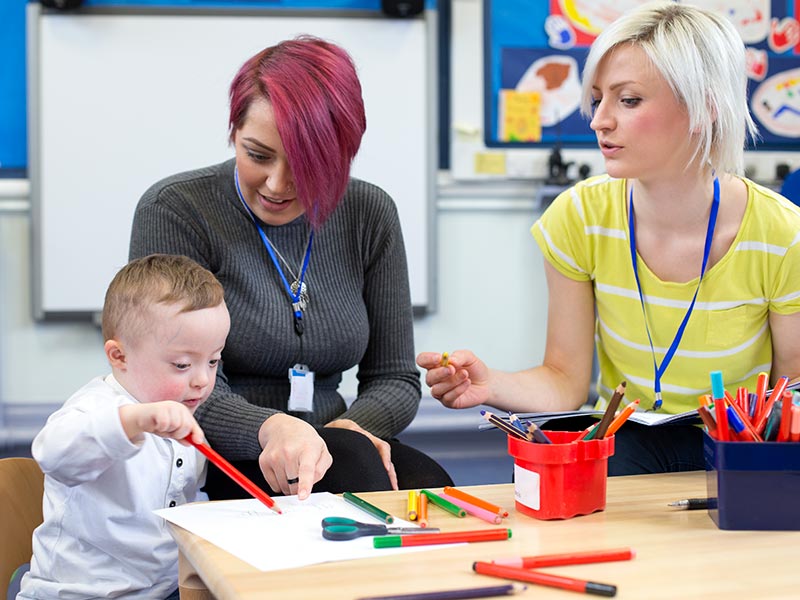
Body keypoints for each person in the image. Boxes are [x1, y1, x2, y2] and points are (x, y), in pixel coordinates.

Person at [418, 2, 800, 475]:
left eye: (629, 100)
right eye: (598, 98)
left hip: (737, 446)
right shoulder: (579, 217)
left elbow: (790, 394)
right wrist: (489, 383)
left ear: (704, 109)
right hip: (626, 441)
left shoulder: (783, 234)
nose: (599, 120)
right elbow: (565, 381)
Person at [129, 36, 452, 501]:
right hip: (218, 449)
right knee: (359, 476)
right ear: (233, 132)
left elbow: (395, 379)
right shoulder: (176, 209)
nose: (277, 184)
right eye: (257, 155)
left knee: (430, 486)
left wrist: (348, 430)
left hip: (334, 440)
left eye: (305, 164)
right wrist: (275, 428)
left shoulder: (370, 212)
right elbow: (178, 386)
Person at [18, 254, 230, 599]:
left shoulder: (180, 412)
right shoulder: (97, 407)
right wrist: (135, 422)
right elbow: (52, 453)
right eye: (181, 364)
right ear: (119, 356)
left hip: (162, 589)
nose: (203, 381)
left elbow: (183, 499)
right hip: (80, 593)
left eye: (213, 360)